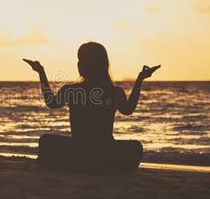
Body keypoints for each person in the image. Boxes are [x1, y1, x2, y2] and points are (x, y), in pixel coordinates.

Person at [24, 42, 160, 173]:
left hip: (78, 151)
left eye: (81, 60)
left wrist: (41, 73)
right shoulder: (113, 91)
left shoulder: (72, 90)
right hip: (105, 153)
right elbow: (128, 109)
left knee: (46, 141)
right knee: (136, 147)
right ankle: (103, 168)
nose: (78, 64)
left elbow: (51, 102)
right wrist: (140, 79)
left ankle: (76, 165)